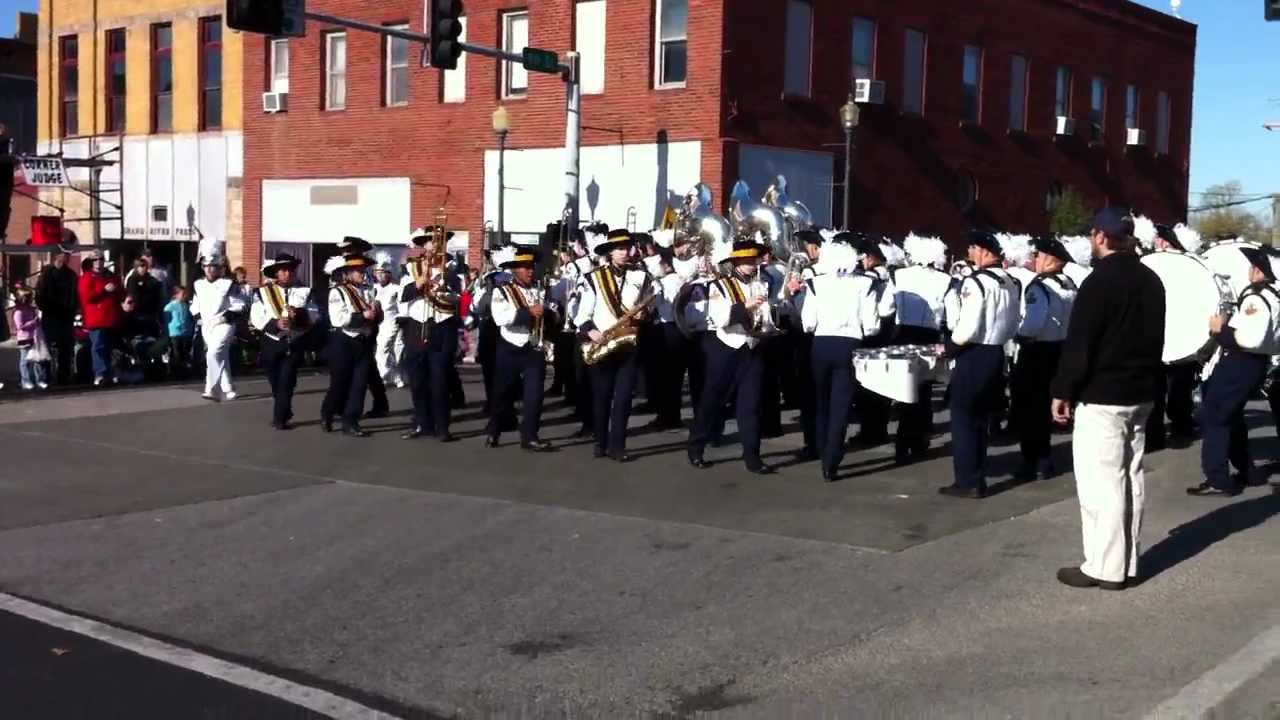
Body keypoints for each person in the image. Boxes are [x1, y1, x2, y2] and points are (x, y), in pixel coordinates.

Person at [1051, 207, 1165, 590]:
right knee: (1130, 479)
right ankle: (1126, 562)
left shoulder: (1099, 281)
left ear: (1100, 236)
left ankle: (1104, 567)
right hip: (1141, 391)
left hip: (1103, 395)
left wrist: (1063, 390)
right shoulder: (1152, 279)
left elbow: (1081, 343)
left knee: (1102, 484)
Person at [1187, 247, 1280, 497]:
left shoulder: (1256, 298)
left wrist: (1220, 330)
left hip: (1241, 363)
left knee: (1215, 416)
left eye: (1254, 266)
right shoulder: (1273, 296)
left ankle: (1218, 479)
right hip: (1253, 364)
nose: (1250, 270)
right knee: (1232, 416)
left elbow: (1251, 339)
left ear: (1261, 272)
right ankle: (1246, 471)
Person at [938, 230, 1021, 499]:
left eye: (973, 248)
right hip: (996, 351)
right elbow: (1011, 324)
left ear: (985, 251)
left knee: (963, 419)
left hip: (973, 354)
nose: (970, 254)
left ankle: (967, 480)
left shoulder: (976, 283)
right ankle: (977, 473)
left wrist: (949, 348)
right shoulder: (1010, 281)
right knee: (982, 420)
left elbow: (968, 328)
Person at [687, 236, 777, 475]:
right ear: (735, 262)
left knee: (751, 404)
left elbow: (766, 316)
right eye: (745, 259)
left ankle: (752, 456)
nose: (751, 263)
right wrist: (744, 306)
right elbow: (717, 318)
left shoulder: (763, 284)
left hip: (753, 347)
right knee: (711, 400)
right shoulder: (720, 285)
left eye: (753, 259)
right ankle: (696, 447)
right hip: (726, 347)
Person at [796, 236, 877, 481]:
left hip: (821, 344)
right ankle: (831, 459)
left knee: (820, 401)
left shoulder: (816, 283)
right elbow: (872, 325)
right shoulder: (865, 284)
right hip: (849, 345)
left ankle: (822, 448)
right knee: (841, 405)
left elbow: (808, 323)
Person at [575, 228, 652, 462]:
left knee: (623, 398)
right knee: (602, 396)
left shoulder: (641, 277)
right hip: (604, 343)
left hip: (628, 344)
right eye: (619, 248)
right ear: (609, 252)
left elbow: (648, 306)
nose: (624, 252)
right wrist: (592, 331)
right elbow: (581, 314)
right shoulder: (594, 278)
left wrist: (643, 316)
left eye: (627, 247)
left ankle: (618, 446)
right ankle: (600, 441)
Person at [1010, 236, 1077, 481]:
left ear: (1049, 258)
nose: (1034, 259)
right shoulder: (1069, 284)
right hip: (1060, 349)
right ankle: (1045, 459)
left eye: (1037, 255)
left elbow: (1034, 323)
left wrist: (1017, 334)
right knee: (1047, 408)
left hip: (1037, 352)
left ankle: (1032, 462)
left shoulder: (1040, 287)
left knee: (1030, 411)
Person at [485, 245, 558, 451]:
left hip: (534, 347)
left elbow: (553, 311)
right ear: (515, 270)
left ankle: (530, 436)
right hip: (510, 347)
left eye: (531, 266)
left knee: (534, 395)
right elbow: (501, 318)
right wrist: (529, 312)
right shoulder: (503, 291)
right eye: (525, 267)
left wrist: (552, 314)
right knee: (503, 394)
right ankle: (494, 430)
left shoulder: (541, 290)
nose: (530, 271)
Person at [891, 234, 952, 464]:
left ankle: (903, 442)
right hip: (928, 334)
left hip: (903, 334)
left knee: (905, 389)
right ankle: (915, 440)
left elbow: (887, 306)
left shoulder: (899, 274)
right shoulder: (944, 279)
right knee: (924, 390)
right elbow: (948, 314)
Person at [399, 229, 463, 442]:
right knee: (417, 380)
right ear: (424, 245)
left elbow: (457, 298)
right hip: (417, 327)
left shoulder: (452, 267)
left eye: (440, 242)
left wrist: (442, 289)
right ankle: (421, 423)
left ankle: (442, 426)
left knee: (440, 380)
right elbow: (403, 296)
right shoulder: (412, 267)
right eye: (431, 242)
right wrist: (420, 282)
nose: (436, 246)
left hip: (442, 327)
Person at [251, 253, 319, 430]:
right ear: (276, 273)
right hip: (272, 342)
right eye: (283, 270)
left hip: (294, 342)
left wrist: (299, 315)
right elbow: (257, 317)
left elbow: (314, 314)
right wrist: (276, 324)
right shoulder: (263, 292)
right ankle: (284, 408)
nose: (287, 273)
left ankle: (279, 418)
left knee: (287, 380)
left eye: (290, 270)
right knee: (275, 381)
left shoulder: (305, 292)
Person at [324, 252, 380, 437]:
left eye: (363, 270)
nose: (361, 274)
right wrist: (362, 316)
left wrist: (376, 315)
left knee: (360, 384)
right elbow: (337, 319)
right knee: (340, 383)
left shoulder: (368, 290)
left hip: (363, 341)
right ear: (347, 273)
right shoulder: (337, 291)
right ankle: (328, 412)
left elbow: (374, 315)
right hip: (344, 341)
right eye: (357, 271)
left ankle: (352, 421)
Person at [852, 236, 898, 446]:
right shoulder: (891, 275)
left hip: (871, 333)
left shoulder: (868, 276)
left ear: (871, 258)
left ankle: (869, 431)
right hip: (888, 332)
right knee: (883, 385)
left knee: (867, 386)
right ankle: (878, 429)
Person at [191, 241, 244, 401]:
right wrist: (199, 318)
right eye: (206, 266)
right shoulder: (198, 284)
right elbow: (194, 305)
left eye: (213, 266)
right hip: (206, 326)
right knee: (220, 356)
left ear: (220, 267)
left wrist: (224, 317)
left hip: (224, 325)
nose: (209, 269)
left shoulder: (228, 284)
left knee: (213, 353)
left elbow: (239, 305)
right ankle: (229, 388)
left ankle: (211, 389)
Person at [35, 246, 80, 385]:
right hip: (51, 316)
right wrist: (46, 308)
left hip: (66, 317)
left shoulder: (71, 275)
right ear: (57, 256)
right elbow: (40, 294)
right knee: (47, 348)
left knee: (66, 348)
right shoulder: (47, 274)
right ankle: (45, 377)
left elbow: (75, 296)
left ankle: (64, 376)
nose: (66, 257)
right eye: (64, 254)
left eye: (68, 255)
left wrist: (72, 310)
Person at [77, 257, 124, 386]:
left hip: (112, 317)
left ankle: (111, 372)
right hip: (96, 318)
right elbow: (86, 296)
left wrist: (117, 290)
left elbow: (121, 293)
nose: (98, 262)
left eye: (101, 259)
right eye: (95, 260)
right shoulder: (87, 277)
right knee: (98, 347)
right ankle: (100, 373)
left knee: (111, 347)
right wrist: (103, 289)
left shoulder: (111, 276)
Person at [372, 261, 405, 389]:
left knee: (396, 351)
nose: (379, 276)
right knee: (383, 350)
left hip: (393, 321)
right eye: (377, 273)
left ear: (389, 274)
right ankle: (391, 376)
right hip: (378, 323)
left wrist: (402, 319)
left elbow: (403, 306)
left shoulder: (396, 288)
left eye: (382, 273)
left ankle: (386, 376)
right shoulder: (373, 288)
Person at [12, 287, 49, 390]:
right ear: (23, 298)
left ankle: (39, 380)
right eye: (29, 297)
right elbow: (20, 327)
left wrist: (38, 321)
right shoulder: (18, 312)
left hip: (35, 337)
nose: (31, 299)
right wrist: (33, 322)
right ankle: (26, 381)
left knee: (37, 360)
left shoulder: (32, 309)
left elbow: (37, 321)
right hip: (24, 338)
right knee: (25, 361)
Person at [125, 257, 166, 329]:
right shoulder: (132, 279)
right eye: (141, 266)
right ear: (137, 267)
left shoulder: (152, 280)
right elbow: (133, 294)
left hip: (150, 312)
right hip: (136, 312)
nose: (143, 268)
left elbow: (157, 294)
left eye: (145, 266)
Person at [163, 286, 194, 377]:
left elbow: (189, 318)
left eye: (186, 294)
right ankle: (174, 371)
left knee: (184, 351)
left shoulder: (186, 305)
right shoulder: (171, 306)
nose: (185, 296)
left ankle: (183, 370)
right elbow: (166, 317)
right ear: (176, 295)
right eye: (183, 294)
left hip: (185, 332)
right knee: (176, 351)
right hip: (175, 332)